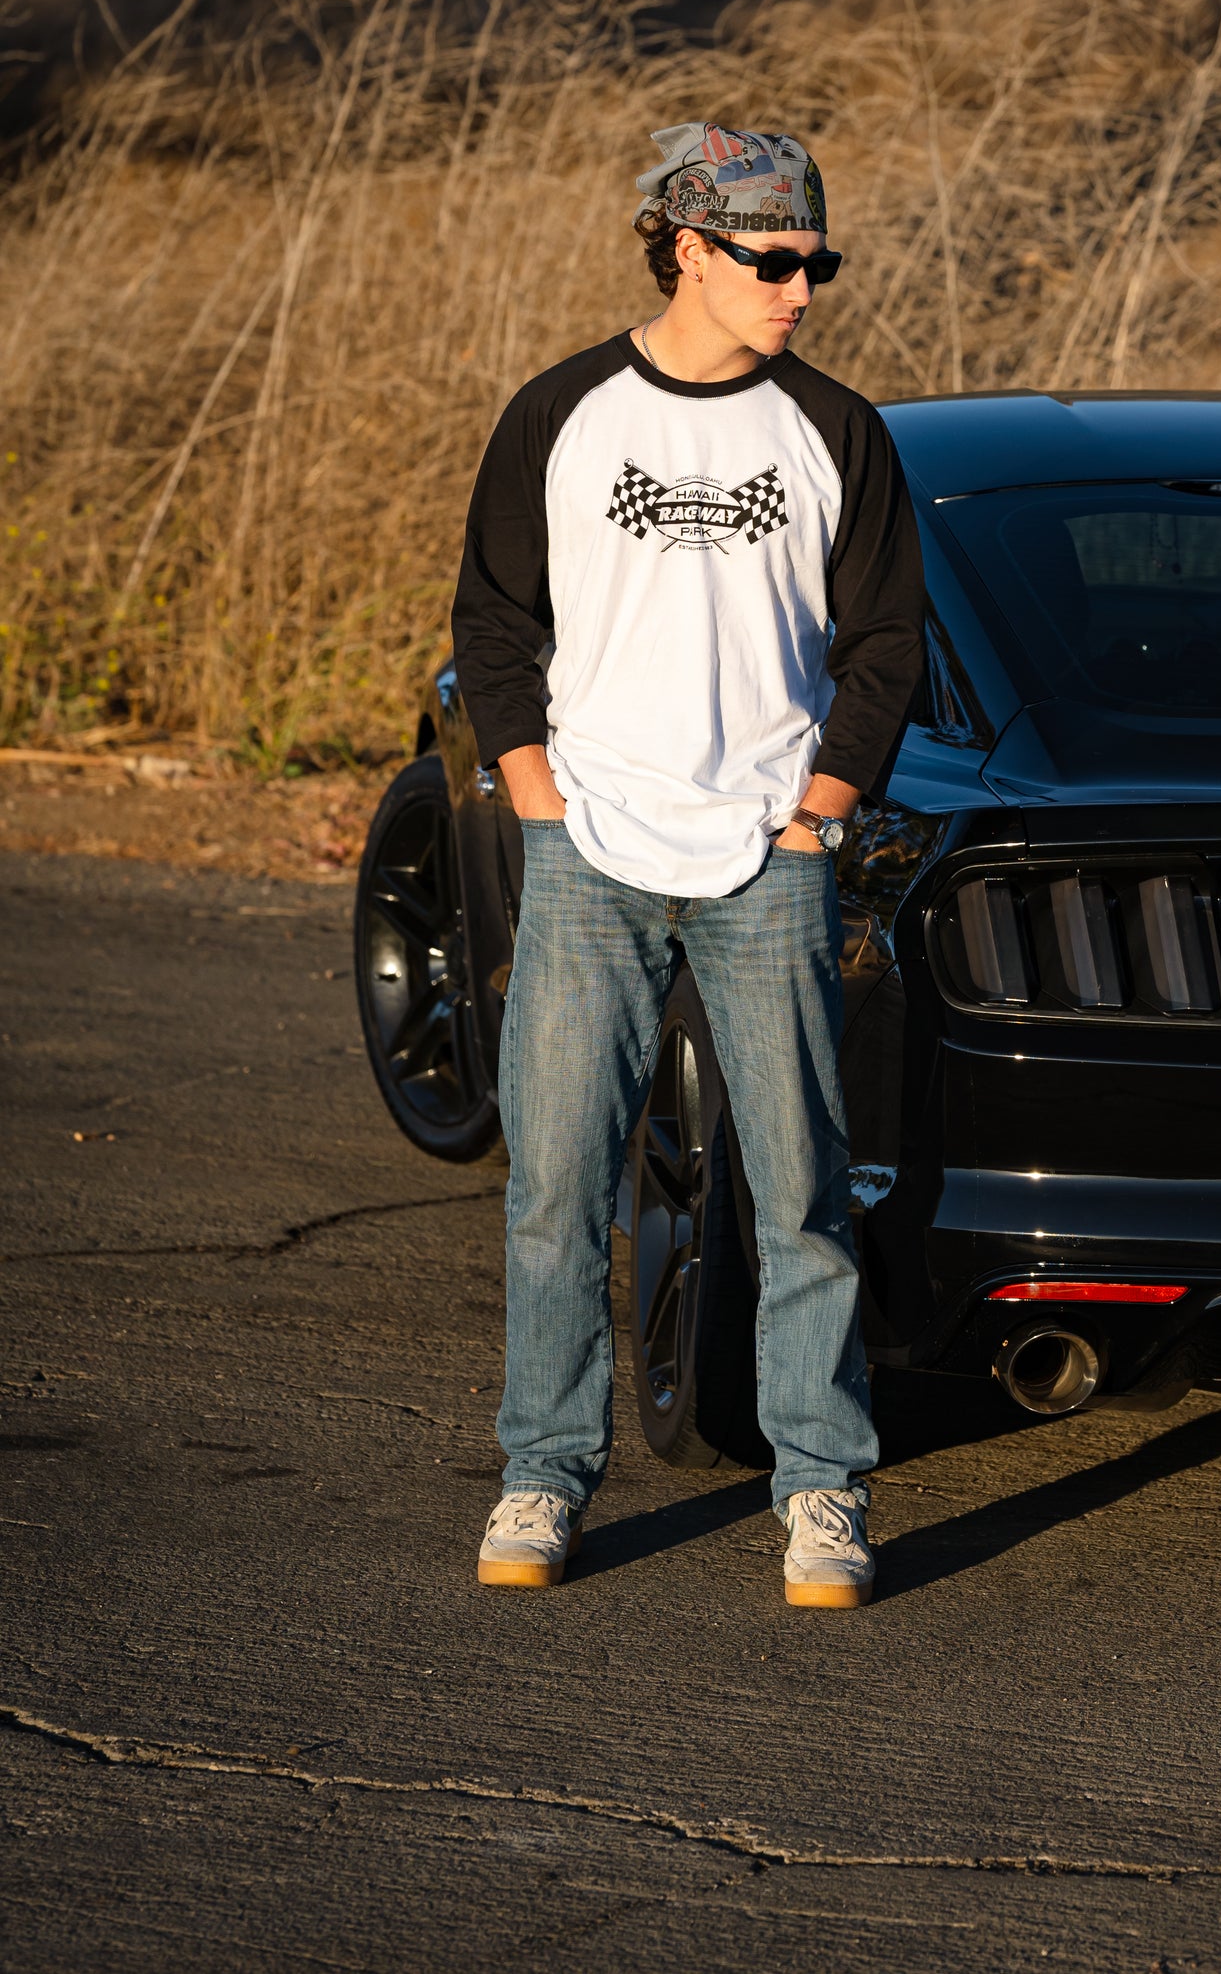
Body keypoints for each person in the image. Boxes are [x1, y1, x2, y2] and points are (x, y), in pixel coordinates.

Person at [451, 123, 925, 1608]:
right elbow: (493, 621)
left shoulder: (836, 428)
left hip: (769, 859)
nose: (803, 289)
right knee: (555, 1187)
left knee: (802, 1191)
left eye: (817, 262)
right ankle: (543, 1473)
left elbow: (888, 643)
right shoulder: (563, 413)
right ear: (690, 249)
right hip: (590, 849)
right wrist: (540, 803)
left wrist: (817, 813)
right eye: (775, 261)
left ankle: (823, 1488)